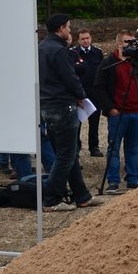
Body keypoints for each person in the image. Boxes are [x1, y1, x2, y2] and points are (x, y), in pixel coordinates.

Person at [38, 13, 100, 211]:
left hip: (47, 105)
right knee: (66, 155)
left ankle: (82, 195)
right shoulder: (59, 50)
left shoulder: (42, 48)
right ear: (61, 28)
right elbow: (70, 77)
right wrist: (81, 95)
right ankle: (51, 198)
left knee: (68, 152)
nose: (70, 31)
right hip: (63, 105)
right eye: (69, 28)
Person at [93, 31, 138, 194]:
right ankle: (113, 181)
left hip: (136, 112)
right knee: (113, 147)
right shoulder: (109, 62)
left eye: (132, 41)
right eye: (127, 41)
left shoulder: (136, 62)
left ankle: (133, 178)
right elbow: (99, 86)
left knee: (133, 148)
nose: (130, 44)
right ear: (119, 43)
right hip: (118, 112)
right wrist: (110, 108)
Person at [70, 29, 104, 157]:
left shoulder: (97, 53)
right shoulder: (73, 53)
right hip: (79, 92)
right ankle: (76, 147)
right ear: (78, 40)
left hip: (94, 91)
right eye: (83, 39)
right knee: (77, 121)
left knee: (94, 121)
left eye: (87, 38)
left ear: (91, 38)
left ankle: (94, 146)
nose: (85, 41)